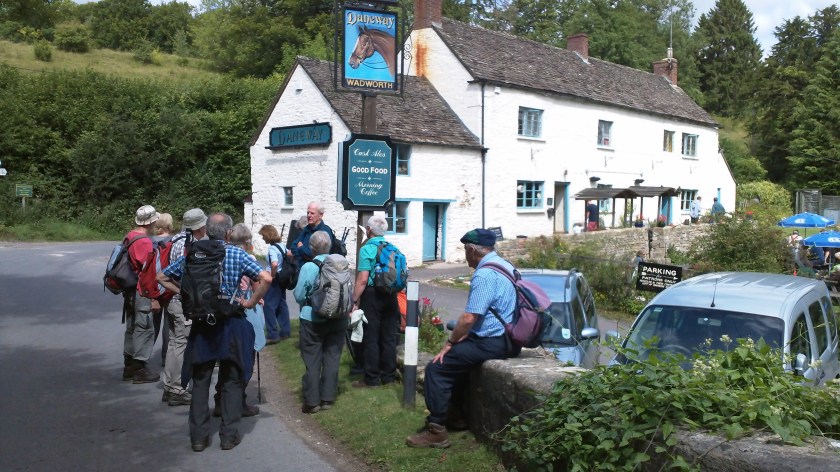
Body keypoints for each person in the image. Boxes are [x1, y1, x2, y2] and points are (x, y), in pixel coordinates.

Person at [157, 212, 271, 452]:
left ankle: (198, 438)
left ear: (207, 230)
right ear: (229, 233)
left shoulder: (194, 253)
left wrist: (184, 293)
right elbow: (265, 277)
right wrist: (249, 303)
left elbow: (162, 276)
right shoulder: (236, 253)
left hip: (202, 324)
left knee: (200, 380)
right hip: (230, 322)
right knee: (231, 378)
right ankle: (228, 436)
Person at [406, 228, 516, 449]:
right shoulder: (506, 266)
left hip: (493, 341)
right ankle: (456, 416)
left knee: (437, 368)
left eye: (466, 250)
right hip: (509, 337)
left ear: (473, 251)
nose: (465, 256)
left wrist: (450, 343)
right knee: (458, 365)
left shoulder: (484, 275)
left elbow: (468, 318)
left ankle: (436, 430)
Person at [293, 230, 349, 413]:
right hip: (338, 317)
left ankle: (312, 401)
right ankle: (328, 398)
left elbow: (299, 294)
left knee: (312, 359)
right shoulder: (341, 265)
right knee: (332, 358)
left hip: (312, 319)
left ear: (312, 248)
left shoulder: (309, 267)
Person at [160, 208, 207, 407]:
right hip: (182, 303)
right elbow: (181, 274)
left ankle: (170, 386)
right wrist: (185, 292)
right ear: (199, 226)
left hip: (172, 300)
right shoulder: (190, 245)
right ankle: (178, 388)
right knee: (181, 344)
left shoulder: (176, 239)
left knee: (174, 342)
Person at [350, 215, 400, 388]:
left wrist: (354, 300)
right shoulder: (393, 248)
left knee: (371, 338)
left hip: (373, 295)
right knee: (388, 337)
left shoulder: (367, 249)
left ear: (369, 230)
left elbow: (363, 279)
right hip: (390, 295)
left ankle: (371, 378)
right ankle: (389, 376)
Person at [122, 204, 161, 384]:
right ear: (151, 222)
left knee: (131, 326)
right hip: (141, 289)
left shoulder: (130, 236)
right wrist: (153, 297)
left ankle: (129, 365)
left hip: (128, 288)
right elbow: (148, 272)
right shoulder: (145, 242)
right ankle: (140, 369)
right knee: (144, 327)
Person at [258, 224, 291, 344]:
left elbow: (275, 264)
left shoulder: (272, 249)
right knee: (282, 304)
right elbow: (290, 254)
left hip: (275, 278)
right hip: (283, 278)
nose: (262, 238)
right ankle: (285, 331)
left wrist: (271, 276)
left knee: (268, 305)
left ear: (267, 235)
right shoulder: (281, 246)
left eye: (263, 236)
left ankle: (272, 334)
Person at [153, 213, 174, 365]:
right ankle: (166, 358)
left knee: (152, 324)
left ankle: (142, 358)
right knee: (169, 324)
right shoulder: (174, 241)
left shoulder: (150, 242)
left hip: (152, 286)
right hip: (168, 285)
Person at [289, 202, 336, 267]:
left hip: (315, 270)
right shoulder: (307, 228)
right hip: (301, 268)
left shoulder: (325, 231)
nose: (309, 215)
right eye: (308, 213)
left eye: (312, 213)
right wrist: (302, 252)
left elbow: (315, 255)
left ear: (321, 215)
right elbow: (293, 246)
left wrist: (300, 248)